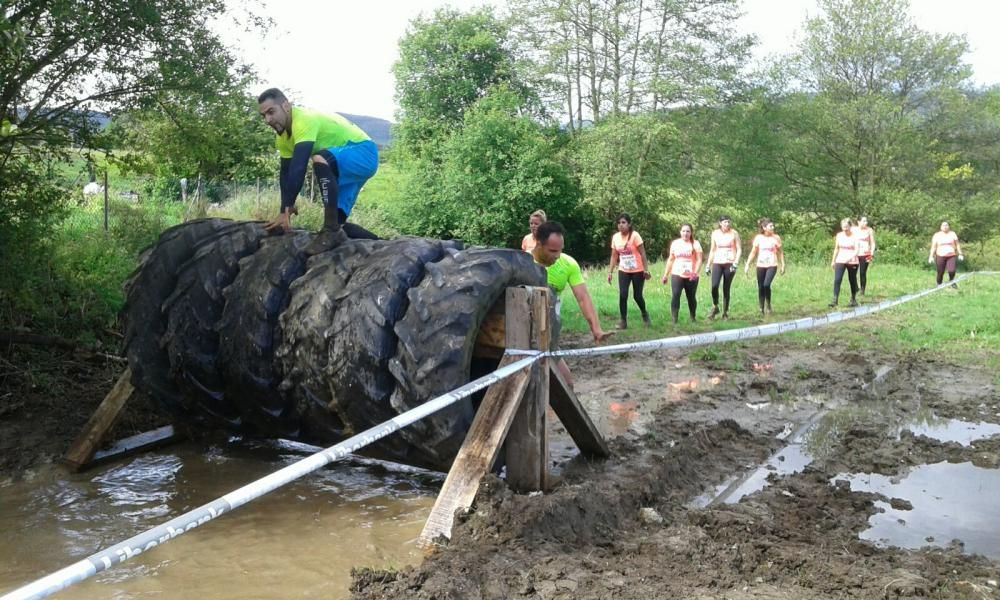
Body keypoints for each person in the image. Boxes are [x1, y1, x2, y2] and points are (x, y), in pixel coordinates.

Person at [258, 88, 379, 254]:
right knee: (339, 224)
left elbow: (299, 167)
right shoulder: (282, 138)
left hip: (363, 152)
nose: (268, 120)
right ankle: (385, 245)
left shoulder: (303, 120)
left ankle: (330, 231)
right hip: (343, 164)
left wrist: (289, 205)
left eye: (271, 112)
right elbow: (285, 174)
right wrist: (283, 211)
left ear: (286, 106)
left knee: (320, 159)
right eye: (264, 115)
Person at [532, 221, 614, 387]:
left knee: (567, 385)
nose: (557, 255)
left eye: (560, 250)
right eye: (553, 250)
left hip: (549, 336)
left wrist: (596, 329)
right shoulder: (522, 262)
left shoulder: (568, 264)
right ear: (539, 244)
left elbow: (583, 297)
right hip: (524, 338)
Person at [606, 213, 651, 329]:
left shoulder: (635, 236)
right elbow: (614, 256)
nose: (621, 225)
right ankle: (623, 321)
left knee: (637, 296)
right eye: (619, 223)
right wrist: (610, 272)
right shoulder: (615, 237)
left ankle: (644, 313)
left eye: (623, 223)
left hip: (637, 270)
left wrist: (646, 270)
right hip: (624, 270)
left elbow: (642, 253)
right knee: (623, 294)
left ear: (629, 224)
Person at [661, 224, 703, 324]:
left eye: (688, 231)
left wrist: (695, 273)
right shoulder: (675, 243)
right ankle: (674, 319)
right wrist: (665, 275)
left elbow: (699, 260)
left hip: (691, 275)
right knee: (676, 295)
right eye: (683, 231)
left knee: (691, 297)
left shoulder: (695, 244)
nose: (685, 233)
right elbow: (671, 259)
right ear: (680, 232)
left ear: (691, 233)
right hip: (677, 273)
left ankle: (693, 317)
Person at [743, 218, 785, 316]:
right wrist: (747, 264)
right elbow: (753, 252)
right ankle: (761, 308)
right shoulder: (758, 238)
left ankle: (768, 304)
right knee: (761, 286)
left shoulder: (776, 238)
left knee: (766, 285)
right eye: (770, 226)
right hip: (761, 265)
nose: (773, 228)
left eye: (773, 226)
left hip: (772, 264)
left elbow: (780, 252)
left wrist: (783, 264)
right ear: (764, 228)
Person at [704, 215, 742, 320]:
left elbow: (739, 249)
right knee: (714, 285)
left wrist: (736, 263)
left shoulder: (734, 233)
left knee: (726, 287)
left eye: (729, 222)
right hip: (717, 262)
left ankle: (725, 312)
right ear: (720, 223)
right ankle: (715, 306)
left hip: (730, 262)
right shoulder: (715, 233)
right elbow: (712, 249)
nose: (727, 224)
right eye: (725, 222)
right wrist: (708, 265)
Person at [829, 218, 860, 308]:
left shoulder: (855, 236)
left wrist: (850, 258)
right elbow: (837, 248)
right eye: (843, 227)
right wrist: (833, 260)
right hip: (840, 260)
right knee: (837, 279)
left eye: (847, 227)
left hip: (852, 261)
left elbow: (857, 250)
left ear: (850, 226)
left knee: (852, 280)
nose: (845, 229)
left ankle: (853, 299)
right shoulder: (839, 235)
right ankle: (835, 299)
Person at [928, 221, 964, 287]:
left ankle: (952, 282)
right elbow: (933, 247)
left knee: (952, 270)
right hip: (940, 256)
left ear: (949, 226)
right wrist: (931, 256)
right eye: (943, 225)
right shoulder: (937, 235)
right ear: (941, 227)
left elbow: (957, 244)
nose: (945, 227)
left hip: (951, 255)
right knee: (940, 272)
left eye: (946, 225)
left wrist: (960, 254)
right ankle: (939, 284)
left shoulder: (952, 234)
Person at [853, 216, 876, 295]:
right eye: (863, 221)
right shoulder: (853, 229)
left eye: (866, 221)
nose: (865, 223)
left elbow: (872, 243)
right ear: (858, 222)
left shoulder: (869, 230)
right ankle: (856, 288)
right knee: (853, 272)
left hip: (865, 253)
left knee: (862, 272)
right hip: (855, 253)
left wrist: (871, 253)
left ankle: (862, 290)